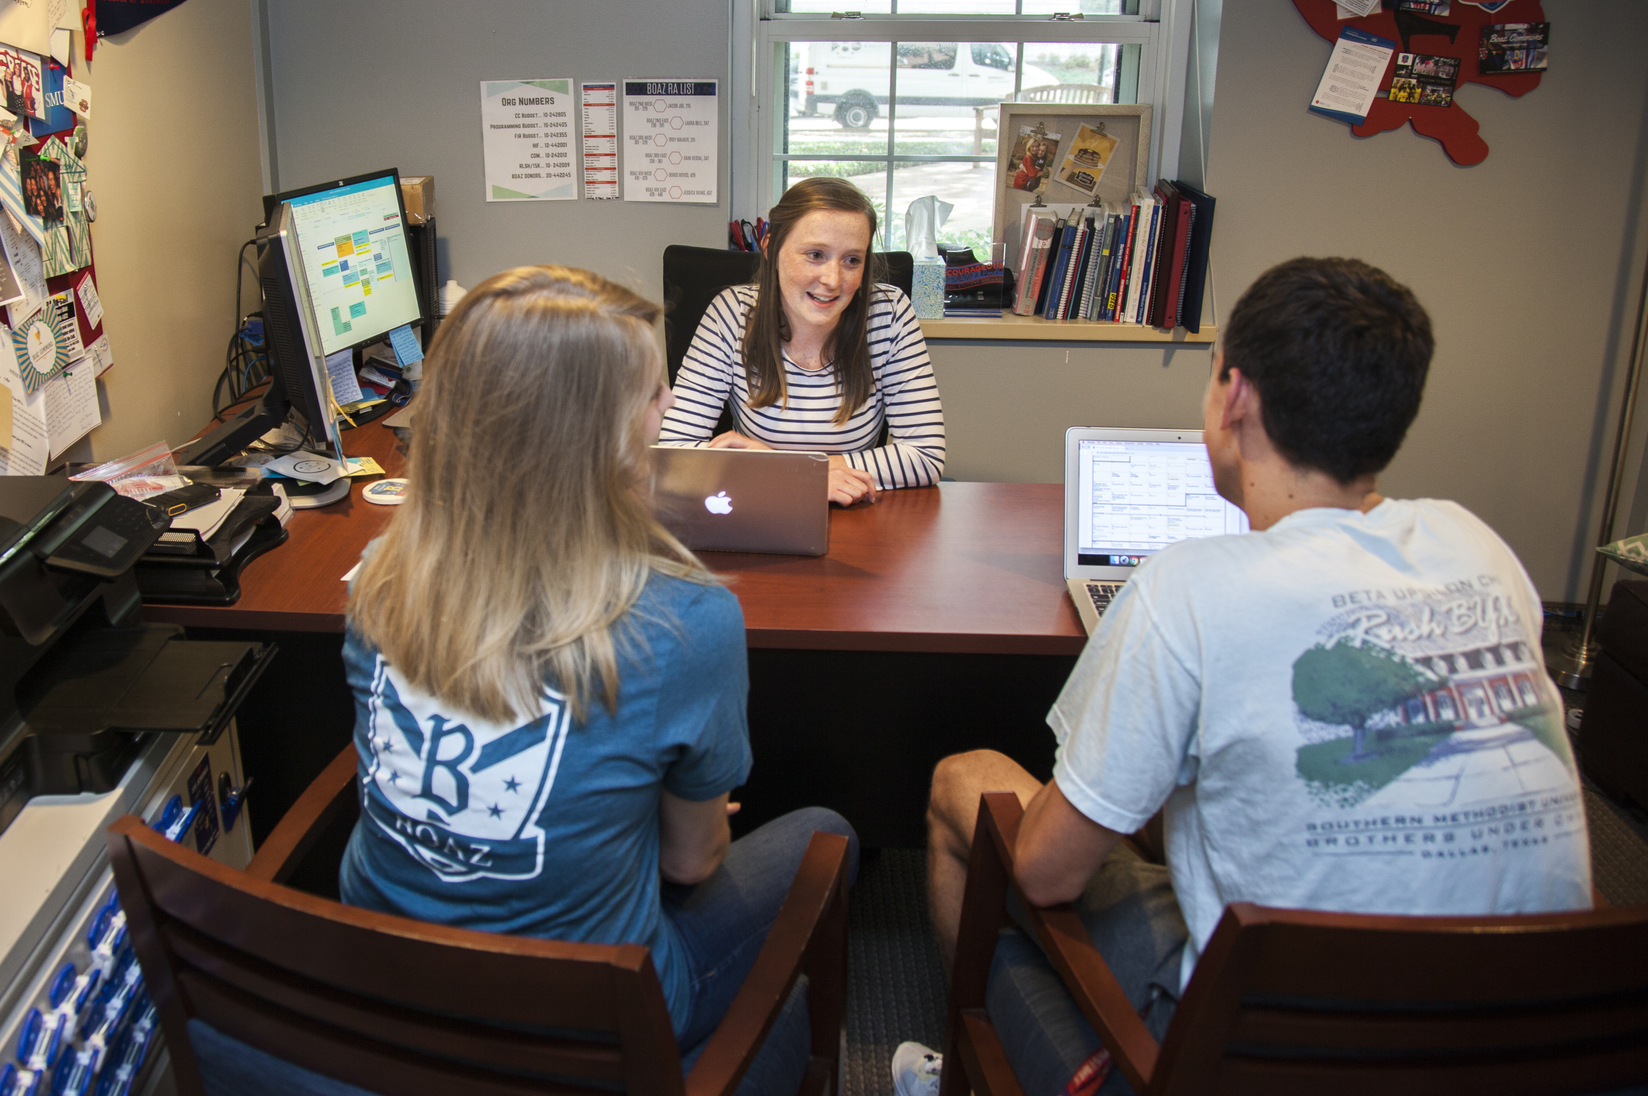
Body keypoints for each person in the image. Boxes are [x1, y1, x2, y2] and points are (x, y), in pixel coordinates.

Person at [892, 257, 1592, 1096]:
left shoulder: (1187, 588)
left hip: (1262, 1052)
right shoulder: (1481, 550)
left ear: (1234, 399)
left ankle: (974, 1064)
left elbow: (1045, 874)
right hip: (1525, 1047)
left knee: (965, 784)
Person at [320, 265, 853, 1095]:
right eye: (652, 396)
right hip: (593, 1020)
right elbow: (689, 863)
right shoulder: (688, 621)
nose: (669, 413)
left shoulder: (379, 577)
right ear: (596, 436)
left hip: (392, 993)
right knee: (829, 831)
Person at [658, 177, 944, 505]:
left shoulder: (888, 313)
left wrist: (803, 471)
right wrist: (798, 476)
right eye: (815, 254)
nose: (833, 280)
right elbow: (674, 454)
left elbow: (926, 455)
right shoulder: (732, 314)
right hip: (762, 510)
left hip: (855, 515)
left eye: (852, 260)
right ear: (770, 248)